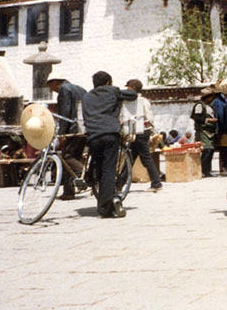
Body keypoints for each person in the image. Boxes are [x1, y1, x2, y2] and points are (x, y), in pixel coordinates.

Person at [82, 71, 137, 218]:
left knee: (99, 169)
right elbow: (133, 95)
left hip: (93, 136)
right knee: (108, 170)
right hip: (109, 134)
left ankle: (105, 198)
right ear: (108, 82)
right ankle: (104, 208)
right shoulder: (112, 91)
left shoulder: (86, 96)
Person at [46, 72, 87, 200]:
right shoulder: (80, 88)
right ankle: (68, 191)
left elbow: (65, 112)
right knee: (73, 157)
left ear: (55, 82)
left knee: (67, 157)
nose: (49, 88)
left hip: (73, 129)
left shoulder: (64, 89)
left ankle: (86, 174)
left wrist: (62, 133)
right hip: (83, 127)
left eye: (49, 85)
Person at [124, 79, 162, 192]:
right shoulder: (143, 101)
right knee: (130, 157)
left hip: (140, 132)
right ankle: (119, 183)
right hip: (139, 132)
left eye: (128, 87)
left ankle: (156, 183)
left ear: (133, 88)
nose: (127, 89)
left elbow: (149, 119)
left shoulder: (139, 101)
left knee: (144, 158)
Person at [191, 87, 217, 177]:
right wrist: (209, 120)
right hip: (203, 131)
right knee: (206, 150)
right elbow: (197, 118)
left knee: (211, 150)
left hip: (210, 131)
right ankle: (201, 170)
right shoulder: (199, 105)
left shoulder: (209, 106)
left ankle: (207, 170)